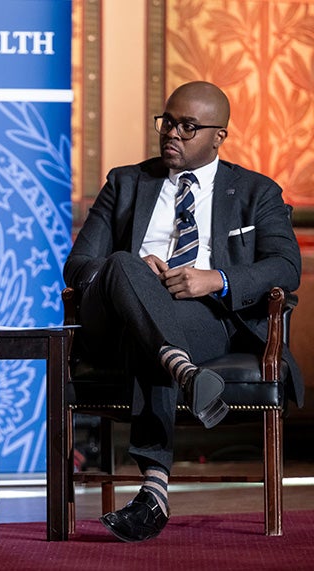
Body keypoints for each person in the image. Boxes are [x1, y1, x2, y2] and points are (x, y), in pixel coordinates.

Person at [63, 81, 302, 542]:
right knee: (122, 264)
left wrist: (217, 280)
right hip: (116, 320)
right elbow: (78, 265)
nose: (172, 132)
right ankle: (184, 372)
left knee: (151, 337)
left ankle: (154, 489)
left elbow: (285, 266)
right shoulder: (126, 182)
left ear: (218, 136)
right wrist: (133, 271)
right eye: (167, 121)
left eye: (187, 126)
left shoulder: (257, 191)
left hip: (206, 318)